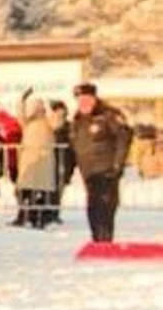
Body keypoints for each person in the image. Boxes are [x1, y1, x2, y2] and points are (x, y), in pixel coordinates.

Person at [70, 83, 133, 243]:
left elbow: (124, 137)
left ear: (94, 98)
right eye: (80, 100)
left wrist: (118, 164)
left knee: (105, 208)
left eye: (86, 100)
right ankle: (97, 240)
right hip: (89, 172)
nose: (83, 104)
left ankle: (105, 241)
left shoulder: (108, 115)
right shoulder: (78, 119)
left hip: (106, 170)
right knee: (92, 209)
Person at [15, 98, 58, 229]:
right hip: (29, 159)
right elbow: (20, 116)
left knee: (41, 191)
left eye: (39, 108)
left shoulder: (48, 122)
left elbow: (57, 122)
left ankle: (40, 217)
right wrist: (22, 101)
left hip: (44, 161)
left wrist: (52, 109)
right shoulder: (27, 123)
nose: (37, 111)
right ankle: (23, 215)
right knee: (25, 191)